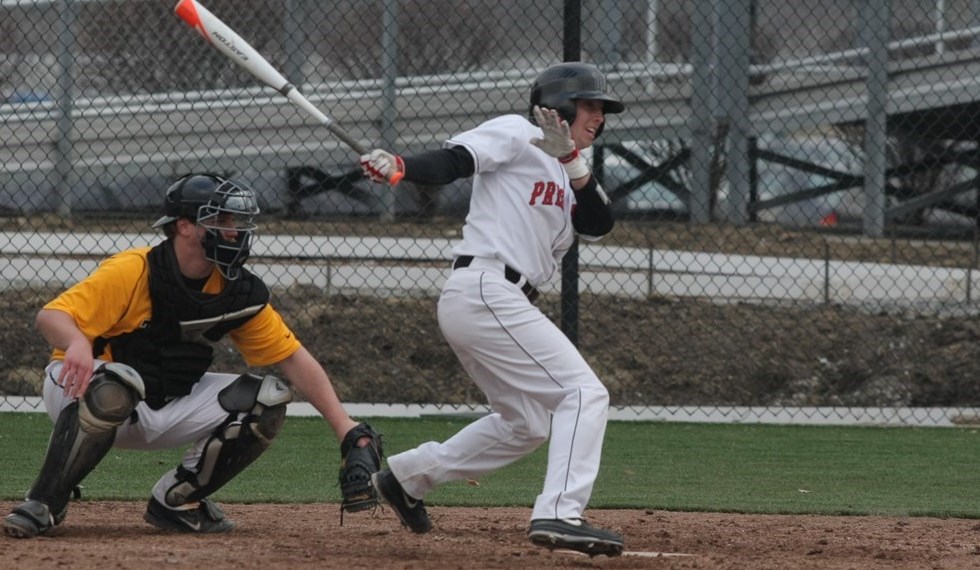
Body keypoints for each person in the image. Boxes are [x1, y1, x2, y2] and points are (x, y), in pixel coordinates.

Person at [3, 173, 382, 538]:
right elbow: (50, 316)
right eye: (221, 219)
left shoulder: (236, 290)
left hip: (160, 400)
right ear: (184, 226)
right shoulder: (134, 270)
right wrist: (77, 342)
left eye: (236, 221)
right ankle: (44, 502)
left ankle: (177, 500)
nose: (234, 230)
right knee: (114, 384)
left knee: (267, 400)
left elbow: (293, 358)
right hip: (80, 390)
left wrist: (344, 426)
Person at [358, 62, 625, 557]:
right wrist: (402, 165)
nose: (599, 117)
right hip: (486, 287)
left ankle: (408, 477)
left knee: (527, 423)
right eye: (589, 105)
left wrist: (571, 160)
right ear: (560, 106)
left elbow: (600, 222)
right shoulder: (518, 132)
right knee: (584, 393)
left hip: (495, 300)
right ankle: (560, 512)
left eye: (602, 109)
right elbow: (455, 161)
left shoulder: (569, 170)